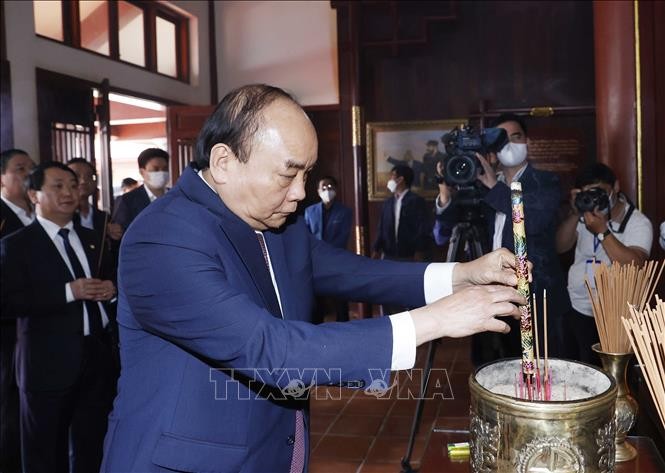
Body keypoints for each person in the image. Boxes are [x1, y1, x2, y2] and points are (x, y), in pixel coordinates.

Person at [100, 84, 527, 473]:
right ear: (224, 162)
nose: (301, 192)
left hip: (272, 449)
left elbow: (352, 272)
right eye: (288, 174)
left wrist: (462, 275)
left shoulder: (273, 222)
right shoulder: (164, 238)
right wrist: (434, 321)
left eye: (306, 174)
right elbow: (269, 350)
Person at [1, 162, 118, 472]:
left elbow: (111, 279)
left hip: (96, 357)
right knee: (44, 452)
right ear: (34, 194)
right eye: (57, 186)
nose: (69, 192)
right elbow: (7, 302)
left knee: (93, 444)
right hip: (47, 362)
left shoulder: (94, 238)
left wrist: (111, 290)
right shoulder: (17, 245)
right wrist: (69, 291)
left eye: (72, 184)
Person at [434, 114, 570, 366]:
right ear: (492, 150)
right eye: (501, 139)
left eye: (515, 137)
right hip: (492, 293)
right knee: (496, 368)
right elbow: (445, 230)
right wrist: (445, 188)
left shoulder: (545, 182)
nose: (508, 144)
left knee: (541, 369)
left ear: (527, 141)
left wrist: (492, 187)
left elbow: (535, 221)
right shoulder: (486, 185)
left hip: (536, 296)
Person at [556, 162, 653, 364]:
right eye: (586, 194)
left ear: (615, 187)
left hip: (615, 314)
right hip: (578, 306)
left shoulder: (637, 222)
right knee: (580, 371)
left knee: (610, 375)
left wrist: (602, 231)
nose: (593, 199)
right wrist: (575, 212)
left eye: (598, 192)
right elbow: (561, 246)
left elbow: (635, 265)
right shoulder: (584, 216)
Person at [0, 148, 35, 473]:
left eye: (31, 168)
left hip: (40, 328)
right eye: (19, 168)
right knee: (8, 408)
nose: (27, 173)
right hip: (7, 330)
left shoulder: (39, 212)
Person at [304, 176, 353, 322]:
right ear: (318, 191)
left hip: (337, 259)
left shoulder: (344, 212)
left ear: (336, 190)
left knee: (340, 300)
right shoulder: (310, 211)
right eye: (323, 188)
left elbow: (342, 237)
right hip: (315, 262)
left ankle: (345, 329)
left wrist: (327, 254)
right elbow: (307, 236)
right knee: (317, 300)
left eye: (330, 187)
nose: (327, 190)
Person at [112, 148, 169, 231]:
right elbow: (120, 234)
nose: (162, 173)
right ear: (142, 172)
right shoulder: (128, 201)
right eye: (156, 169)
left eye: (165, 169)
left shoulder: (178, 197)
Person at [68, 158, 123, 244]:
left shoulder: (104, 217)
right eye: (76, 176)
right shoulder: (62, 217)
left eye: (89, 176)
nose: (83, 181)